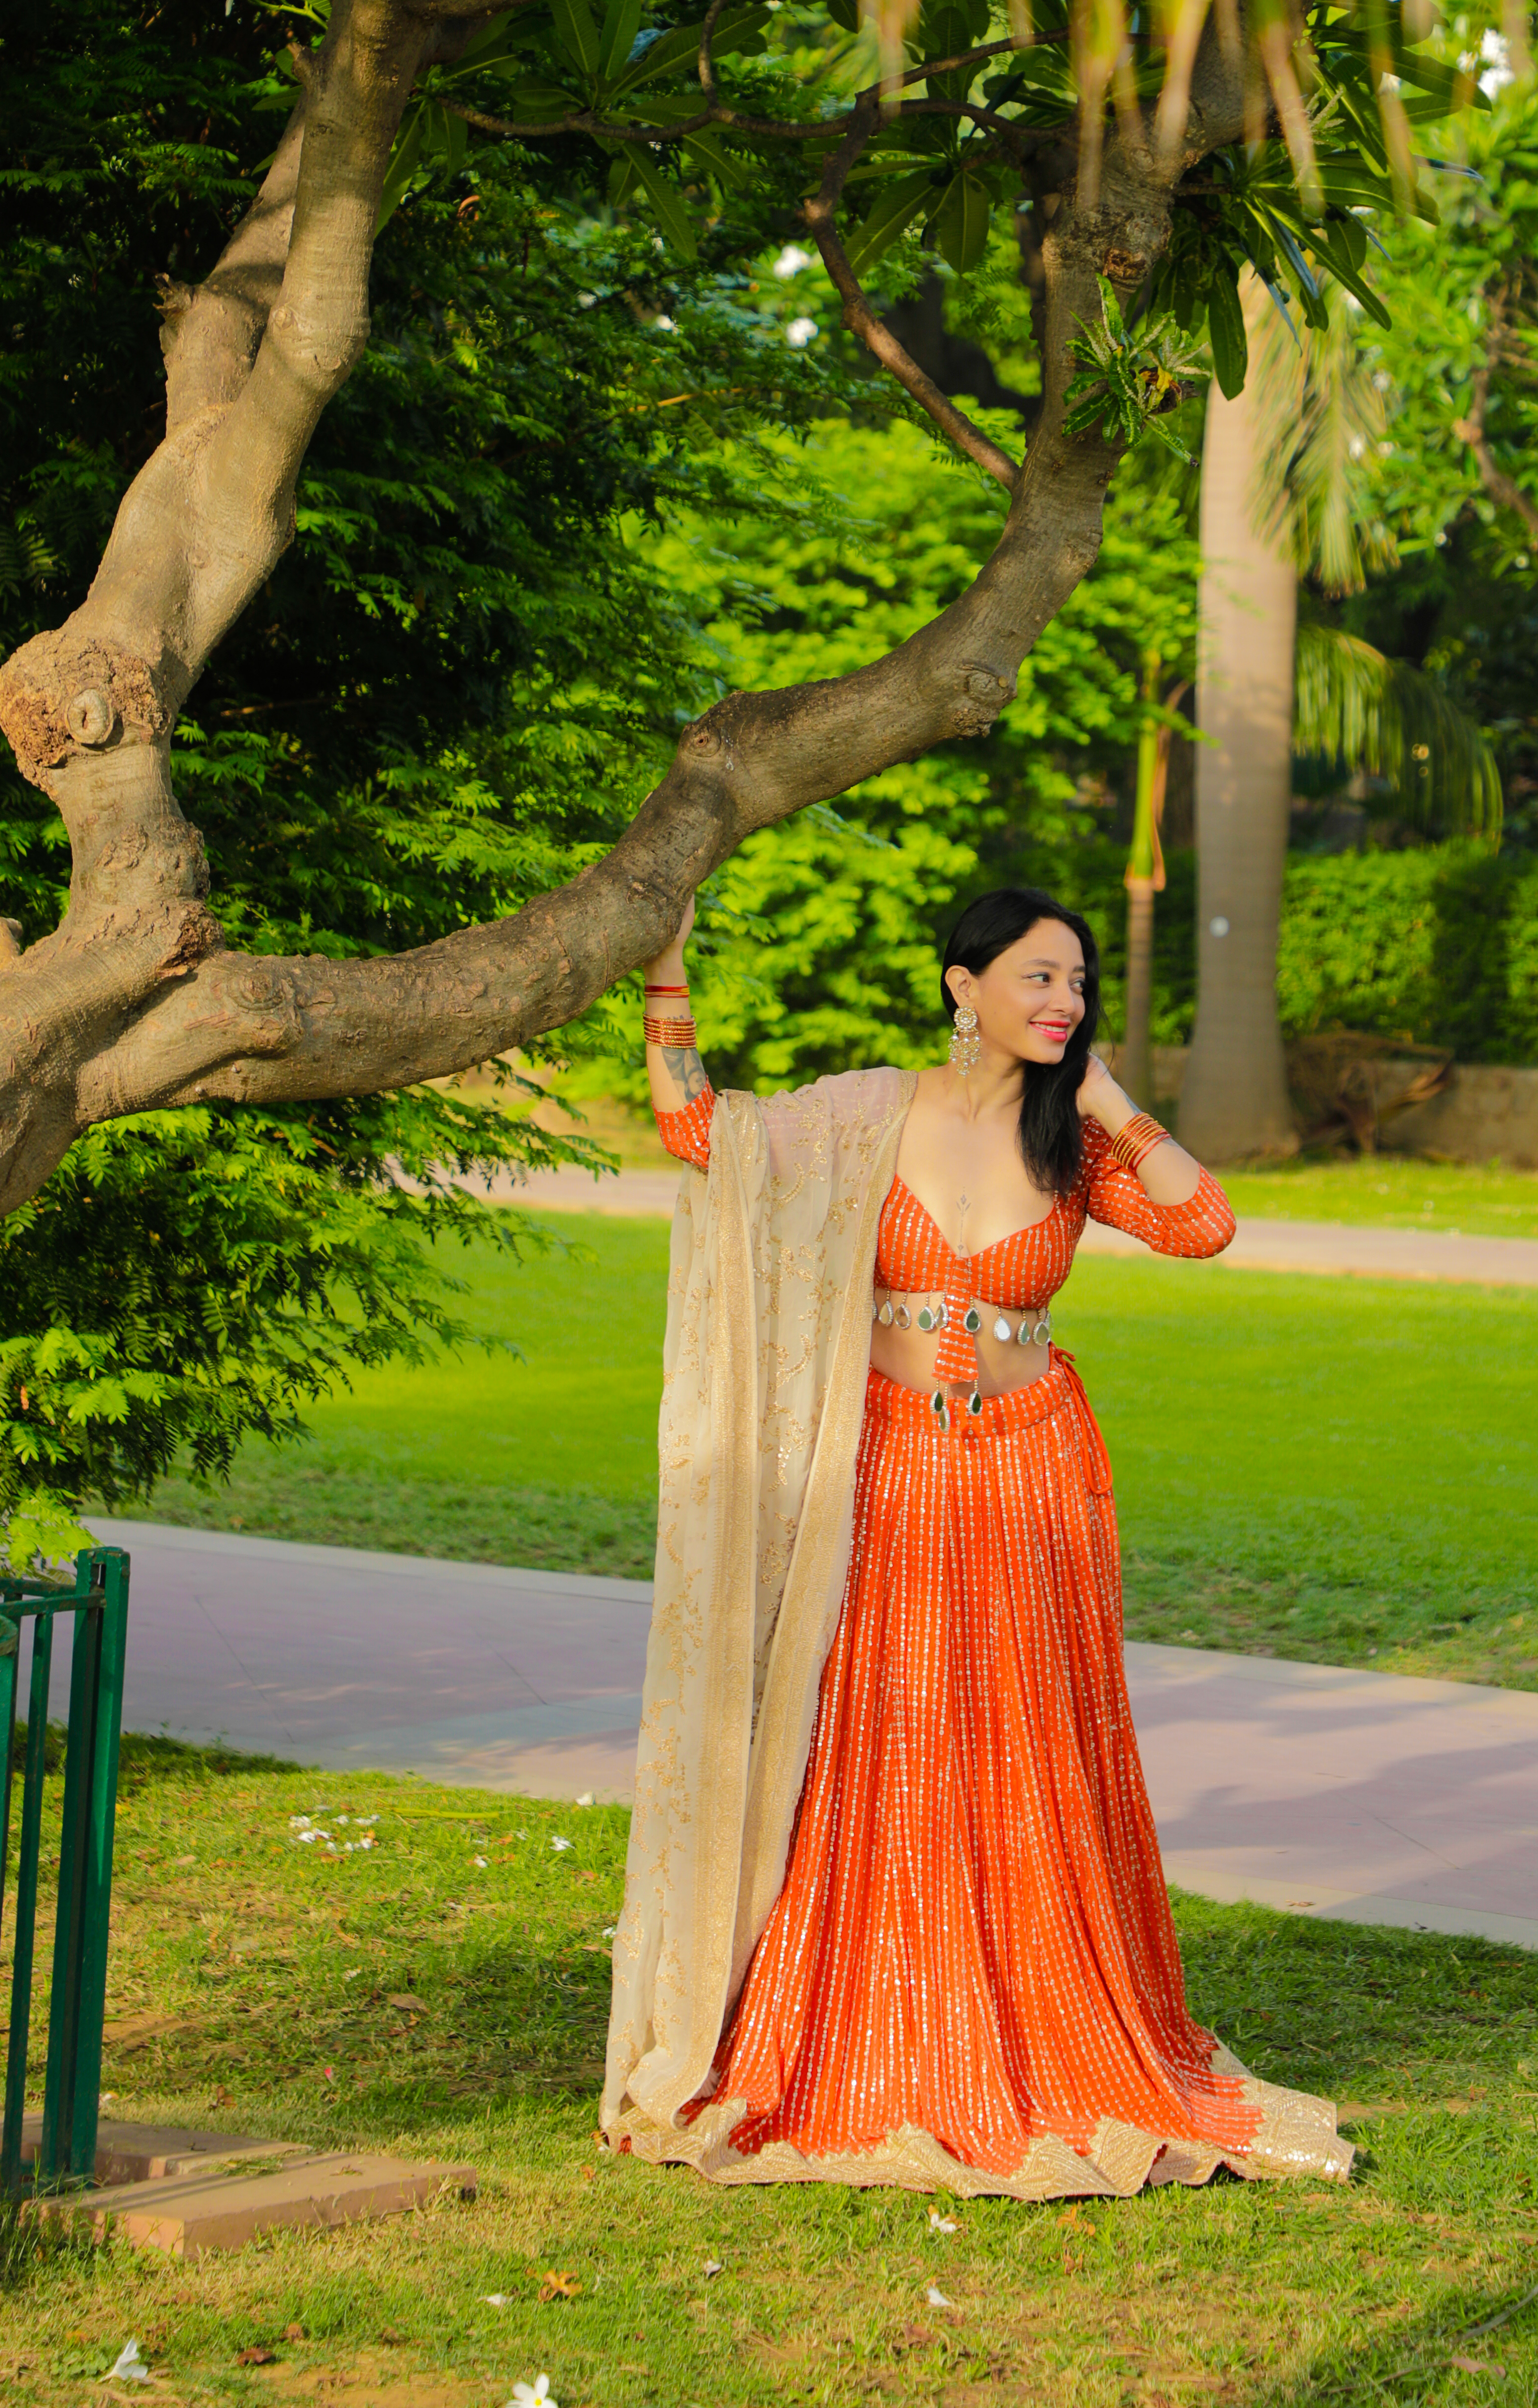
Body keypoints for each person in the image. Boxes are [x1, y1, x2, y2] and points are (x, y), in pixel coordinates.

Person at [599, 883, 1352, 2201]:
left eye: (1078, 986)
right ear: (963, 984)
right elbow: (695, 1128)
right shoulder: (862, 1119)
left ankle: (1048, 2027)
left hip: (1032, 1474)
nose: (1062, 1002)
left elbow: (1204, 1222)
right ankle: (880, 2031)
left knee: (1027, 1746)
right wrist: (666, 972)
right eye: (1038, 978)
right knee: (888, 1738)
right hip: (888, 1461)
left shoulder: (1075, 1150)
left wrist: (1109, 1093)